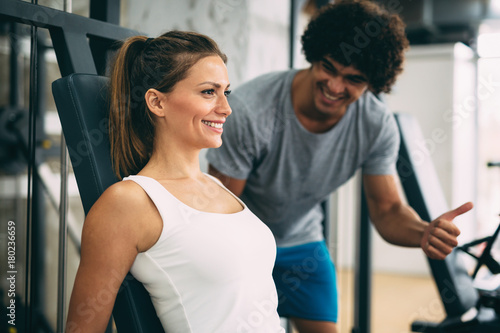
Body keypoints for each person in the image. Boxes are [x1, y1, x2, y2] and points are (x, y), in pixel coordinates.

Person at [206, 1, 473, 332]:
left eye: (353, 79)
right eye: (328, 67)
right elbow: (220, 215)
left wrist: (424, 233)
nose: (334, 86)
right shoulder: (250, 110)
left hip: (303, 245)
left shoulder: (376, 125)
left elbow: (387, 210)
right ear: (314, 55)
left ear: (373, 82)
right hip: (245, 244)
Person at [65, 30, 285, 333]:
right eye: (209, 92)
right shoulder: (129, 202)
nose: (226, 108)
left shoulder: (217, 186)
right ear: (157, 102)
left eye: (226, 92)